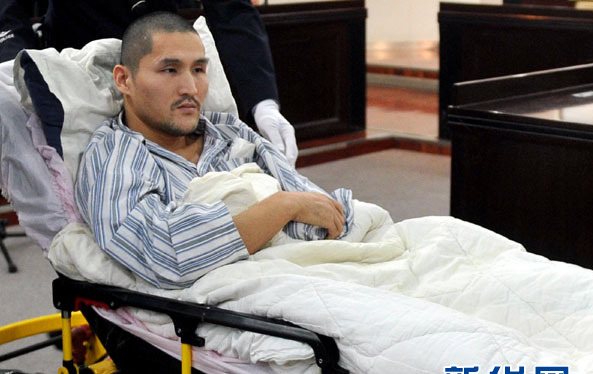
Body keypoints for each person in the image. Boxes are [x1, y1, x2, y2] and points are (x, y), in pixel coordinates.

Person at [75, 11, 353, 290]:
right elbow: (165, 255)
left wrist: (293, 211)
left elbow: (324, 213)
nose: (190, 88)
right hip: (251, 297)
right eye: (170, 70)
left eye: (198, 70)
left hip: (315, 269)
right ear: (124, 80)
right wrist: (282, 207)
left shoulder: (229, 131)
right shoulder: (115, 156)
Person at [0, 0, 298, 165]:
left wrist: (263, 103)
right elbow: (8, 11)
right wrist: (15, 68)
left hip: (164, 59)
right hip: (78, 70)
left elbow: (231, 11)